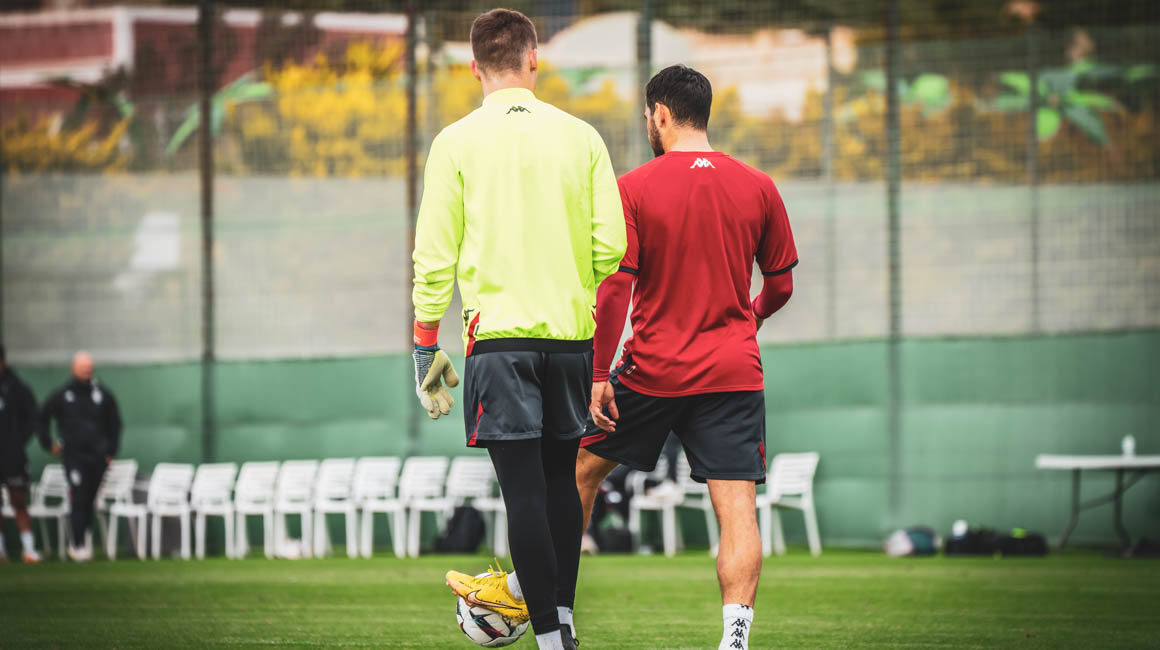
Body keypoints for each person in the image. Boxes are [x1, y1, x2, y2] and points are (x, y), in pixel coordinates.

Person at [410, 9, 626, 650]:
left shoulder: (454, 142)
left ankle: (551, 642)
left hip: (499, 341)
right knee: (562, 483)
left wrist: (424, 345)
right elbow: (612, 246)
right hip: (570, 339)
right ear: (535, 59)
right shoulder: (582, 137)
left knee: (524, 492)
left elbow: (434, 257)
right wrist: (571, 283)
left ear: (474, 67)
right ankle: (563, 625)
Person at [577, 64, 797, 650]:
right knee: (738, 508)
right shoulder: (758, 186)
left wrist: (598, 373)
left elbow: (616, 288)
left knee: (578, 471)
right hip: (733, 371)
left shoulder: (633, 187)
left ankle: (554, 612)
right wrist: (751, 315)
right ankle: (735, 641)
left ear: (660, 114)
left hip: (653, 370)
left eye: (648, 116)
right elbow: (781, 286)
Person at [38, 351, 122, 562]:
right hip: (74, 457)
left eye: (89, 367)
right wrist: (48, 444)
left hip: (98, 457)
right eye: (82, 367)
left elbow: (115, 423)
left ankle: (83, 539)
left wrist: (110, 451)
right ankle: (77, 544)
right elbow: (42, 417)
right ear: (73, 368)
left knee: (90, 499)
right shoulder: (63, 394)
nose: (86, 370)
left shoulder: (102, 394)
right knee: (79, 496)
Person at [0, 344, 41, 563]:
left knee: (18, 500)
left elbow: (32, 417)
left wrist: (17, 442)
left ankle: (29, 549)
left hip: (13, 457)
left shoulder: (17, 387)